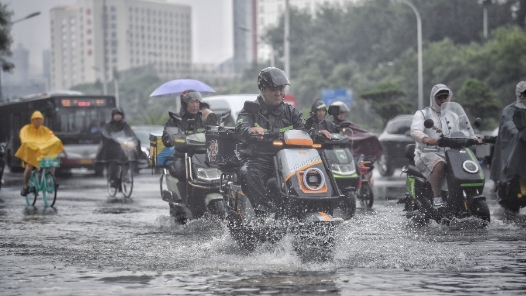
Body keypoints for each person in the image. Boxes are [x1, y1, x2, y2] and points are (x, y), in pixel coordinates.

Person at [236, 67, 330, 215]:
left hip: (290, 160)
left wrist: (317, 134)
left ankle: (322, 205)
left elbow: (304, 128)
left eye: (281, 89)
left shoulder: (290, 111)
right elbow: (242, 126)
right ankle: (264, 213)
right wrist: (250, 130)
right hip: (260, 159)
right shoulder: (251, 110)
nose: (279, 93)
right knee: (248, 172)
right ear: (262, 89)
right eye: (274, 89)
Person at [410, 84, 482, 208]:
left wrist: (474, 138)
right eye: (440, 98)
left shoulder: (453, 115)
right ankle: (437, 198)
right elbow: (415, 131)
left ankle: (457, 196)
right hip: (426, 152)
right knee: (439, 164)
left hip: (450, 152)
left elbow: (463, 131)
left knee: (465, 166)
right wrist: (426, 139)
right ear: (433, 98)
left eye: (445, 97)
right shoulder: (423, 114)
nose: (443, 100)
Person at [15, 111, 64, 196]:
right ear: (32, 120)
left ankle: (50, 181)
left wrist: (56, 141)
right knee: (29, 168)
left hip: (43, 155)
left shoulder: (45, 130)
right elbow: (24, 139)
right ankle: (25, 186)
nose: (38, 121)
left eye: (40, 119)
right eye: (36, 119)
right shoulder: (26, 129)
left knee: (52, 164)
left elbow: (52, 137)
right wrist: (31, 145)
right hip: (31, 155)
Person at [490, 81, 526, 195]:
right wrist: (518, 133)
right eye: (524, 94)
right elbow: (508, 124)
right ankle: (505, 185)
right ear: (519, 94)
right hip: (514, 146)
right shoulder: (510, 109)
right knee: (509, 167)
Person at [162, 90, 205, 183]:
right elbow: (166, 137)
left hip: (203, 156)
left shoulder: (203, 118)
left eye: (197, 102)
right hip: (182, 156)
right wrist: (171, 138)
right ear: (185, 104)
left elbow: (214, 131)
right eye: (191, 102)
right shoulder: (175, 119)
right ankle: (185, 197)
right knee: (184, 173)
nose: (195, 105)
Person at [95, 107, 140, 188]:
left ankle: (125, 176)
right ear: (113, 116)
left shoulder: (125, 124)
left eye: (119, 115)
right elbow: (105, 134)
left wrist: (133, 140)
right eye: (116, 115)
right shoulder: (108, 125)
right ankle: (112, 179)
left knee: (128, 160)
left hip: (123, 147)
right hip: (111, 148)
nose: (117, 116)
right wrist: (112, 139)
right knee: (113, 162)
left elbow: (130, 133)